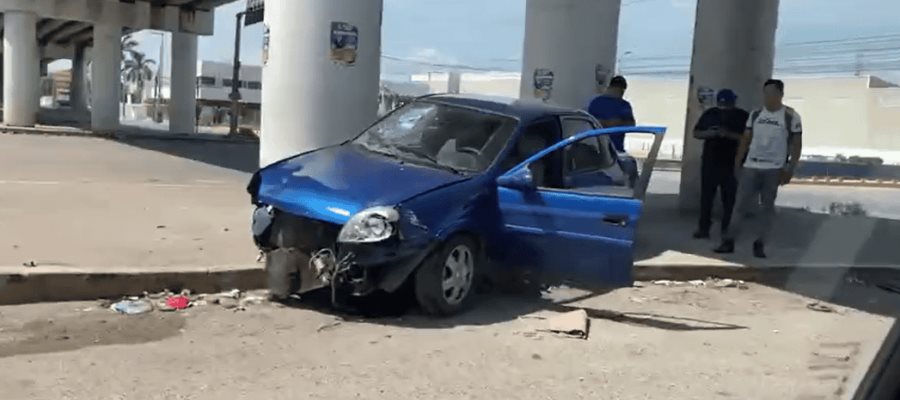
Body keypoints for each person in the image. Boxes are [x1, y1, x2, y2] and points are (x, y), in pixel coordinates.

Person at [714, 79, 803, 258]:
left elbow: (796, 144)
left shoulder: (790, 116)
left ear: (780, 94)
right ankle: (728, 241)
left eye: (771, 93)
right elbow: (746, 139)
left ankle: (760, 243)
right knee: (739, 205)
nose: (767, 97)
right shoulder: (755, 115)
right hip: (751, 166)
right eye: (765, 93)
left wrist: (790, 168)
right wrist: (738, 161)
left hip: (774, 168)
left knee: (766, 208)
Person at [692, 89, 749, 239]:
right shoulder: (710, 114)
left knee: (729, 198)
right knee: (706, 198)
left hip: (731, 162)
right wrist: (712, 133)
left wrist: (728, 134)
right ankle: (704, 228)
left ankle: (727, 228)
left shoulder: (742, 116)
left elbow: (747, 138)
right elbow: (696, 133)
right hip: (710, 161)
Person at [586, 75, 635, 152]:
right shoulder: (597, 102)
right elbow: (588, 123)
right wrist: (610, 123)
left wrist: (611, 123)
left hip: (614, 147)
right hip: (599, 147)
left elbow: (631, 125)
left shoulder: (623, 105)